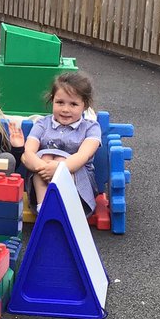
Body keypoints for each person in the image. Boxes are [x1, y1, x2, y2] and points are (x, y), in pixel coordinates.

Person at [22, 71, 102, 214]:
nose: (65, 109)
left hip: (78, 182)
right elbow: (28, 153)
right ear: (52, 100)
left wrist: (59, 169)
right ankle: (44, 208)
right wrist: (44, 167)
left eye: (73, 104)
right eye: (60, 102)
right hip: (43, 176)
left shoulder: (90, 127)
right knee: (44, 157)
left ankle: (65, 208)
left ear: (85, 105)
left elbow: (83, 156)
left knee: (61, 159)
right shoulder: (42, 123)